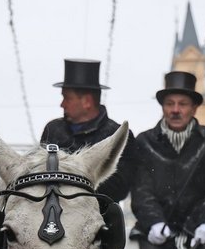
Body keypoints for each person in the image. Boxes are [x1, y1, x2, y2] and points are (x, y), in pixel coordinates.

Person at [131, 71, 205, 249]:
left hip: (201, 227)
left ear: (194, 108)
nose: (175, 110)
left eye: (182, 104)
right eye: (170, 104)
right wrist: (154, 222)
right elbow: (141, 190)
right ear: (163, 107)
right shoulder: (144, 142)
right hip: (158, 228)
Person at [40, 58, 137, 204]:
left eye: (67, 98)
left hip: (101, 216)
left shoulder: (117, 135)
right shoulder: (53, 130)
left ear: (87, 102)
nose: (62, 104)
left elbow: (119, 188)